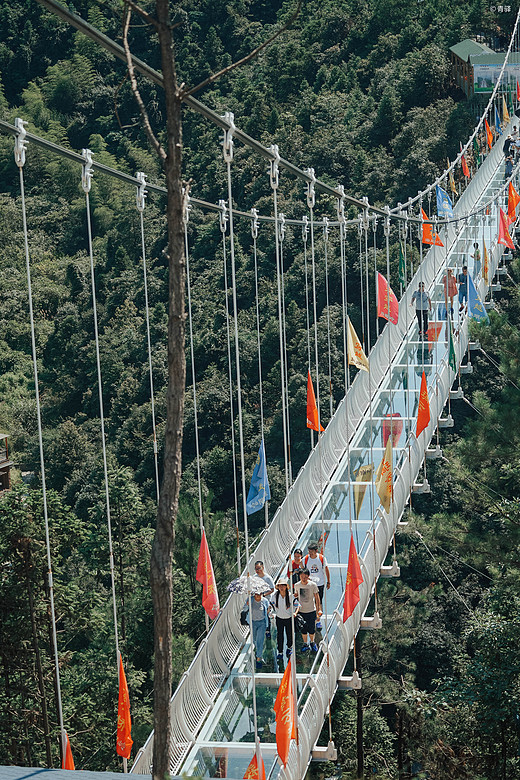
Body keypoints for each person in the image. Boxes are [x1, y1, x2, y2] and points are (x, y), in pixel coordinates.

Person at [303, 542, 330, 630]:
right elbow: (302, 567)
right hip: (309, 584)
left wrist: (328, 581)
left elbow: (326, 569)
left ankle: (318, 620)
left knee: (318, 602)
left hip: (319, 584)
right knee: (309, 601)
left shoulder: (321, 558)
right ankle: (309, 618)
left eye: (312, 551)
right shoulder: (306, 559)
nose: (310, 553)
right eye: (309, 551)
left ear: (316, 551)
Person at [294, 567, 321, 653]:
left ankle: (312, 642)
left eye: (305, 577)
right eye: (302, 576)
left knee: (312, 628)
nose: (304, 579)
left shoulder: (312, 585)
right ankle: (305, 644)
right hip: (301, 611)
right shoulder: (297, 585)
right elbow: (296, 596)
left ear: (308, 576)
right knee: (303, 628)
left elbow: (317, 598)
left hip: (311, 610)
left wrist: (318, 610)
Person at [271, 578, 299, 661]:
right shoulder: (275, 596)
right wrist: (270, 612)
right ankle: (280, 651)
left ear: (286, 587)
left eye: (283, 586)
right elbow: (271, 604)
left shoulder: (291, 596)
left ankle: (289, 647)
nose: (281, 588)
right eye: (280, 586)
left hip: (289, 619)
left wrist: (295, 613)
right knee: (280, 635)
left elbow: (297, 606)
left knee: (289, 634)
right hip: (279, 618)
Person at [243, 592, 270, 670]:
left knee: (259, 640)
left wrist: (269, 610)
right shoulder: (250, 600)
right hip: (253, 622)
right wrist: (247, 604)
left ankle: (258, 658)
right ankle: (258, 650)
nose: (257, 596)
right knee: (254, 639)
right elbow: (244, 609)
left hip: (262, 623)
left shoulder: (264, 601)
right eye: (256, 594)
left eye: (259, 594)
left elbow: (268, 610)